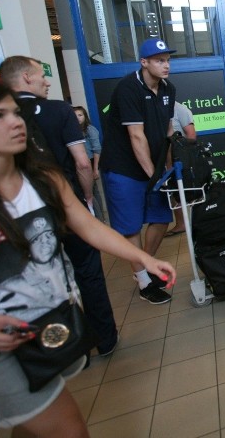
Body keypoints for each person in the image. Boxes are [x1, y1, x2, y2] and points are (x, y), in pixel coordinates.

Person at [0, 78, 176, 437]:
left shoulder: (42, 179)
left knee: (31, 425)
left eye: (14, 113)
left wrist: (144, 259)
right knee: (67, 429)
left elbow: (88, 227)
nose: (16, 122)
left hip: (52, 325)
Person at [0, 56, 119, 357]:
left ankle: (65, 346)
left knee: (43, 277)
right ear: (26, 77)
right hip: (66, 204)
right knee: (88, 272)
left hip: (21, 214)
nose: (47, 81)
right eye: (42, 75)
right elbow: (81, 161)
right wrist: (87, 200)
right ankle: (105, 340)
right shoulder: (58, 110)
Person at [100, 37, 177, 304]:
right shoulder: (127, 88)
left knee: (161, 218)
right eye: (159, 61)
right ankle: (144, 281)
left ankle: (146, 265)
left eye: (167, 60)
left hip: (152, 168)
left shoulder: (169, 89)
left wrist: (166, 170)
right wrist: (153, 176)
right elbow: (136, 136)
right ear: (144, 62)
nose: (165, 65)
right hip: (123, 169)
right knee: (130, 226)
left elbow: (167, 132)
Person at [164, 101, 196, 237]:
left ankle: (196, 221)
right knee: (173, 193)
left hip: (179, 161)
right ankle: (181, 223)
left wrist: (185, 158)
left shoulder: (180, 109)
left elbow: (191, 135)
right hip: (165, 162)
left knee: (190, 192)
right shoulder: (157, 109)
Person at [73, 105, 105, 221]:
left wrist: (95, 168)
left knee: (91, 192)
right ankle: (99, 218)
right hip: (81, 162)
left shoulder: (90, 130)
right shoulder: (72, 131)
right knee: (92, 191)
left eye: (80, 115)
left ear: (85, 117)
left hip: (90, 162)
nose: (78, 118)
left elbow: (97, 149)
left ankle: (100, 219)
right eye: (75, 116)